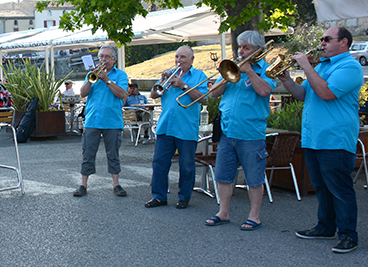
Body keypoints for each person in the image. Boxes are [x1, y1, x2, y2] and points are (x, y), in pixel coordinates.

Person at [278, 26, 362, 253]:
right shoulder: (323, 66)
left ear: (343, 42)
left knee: (340, 188)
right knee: (321, 187)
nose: (322, 43)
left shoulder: (350, 67)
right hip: (314, 137)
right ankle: (325, 227)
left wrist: (306, 66)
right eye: (322, 39)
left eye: (327, 39)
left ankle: (348, 235)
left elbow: (326, 93)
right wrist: (287, 81)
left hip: (335, 137)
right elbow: (303, 94)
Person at [204, 30, 275, 231]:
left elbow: (264, 91)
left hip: (251, 134)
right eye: (240, 47)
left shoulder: (266, 70)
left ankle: (254, 216)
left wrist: (250, 71)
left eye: (246, 48)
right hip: (228, 132)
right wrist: (227, 75)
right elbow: (213, 93)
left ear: (258, 51)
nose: (241, 51)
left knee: (254, 178)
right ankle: (223, 212)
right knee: (223, 176)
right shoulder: (233, 68)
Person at [145, 46, 208, 209]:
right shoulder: (169, 75)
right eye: (177, 57)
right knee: (159, 163)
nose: (178, 60)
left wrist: (183, 85)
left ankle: (184, 197)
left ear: (192, 59)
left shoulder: (200, 76)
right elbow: (153, 95)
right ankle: (159, 196)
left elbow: (202, 99)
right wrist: (161, 80)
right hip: (165, 126)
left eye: (183, 57)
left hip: (186, 127)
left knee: (186, 164)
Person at [73, 45, 128, 197]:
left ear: (114, 59)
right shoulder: (93, 74)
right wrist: (90, 79)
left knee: (113, 154)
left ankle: (116, 184)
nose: (103, 59)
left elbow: (122, 94)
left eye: (107, 57)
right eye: (101, 56)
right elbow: (83, 94)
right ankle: (83, 184)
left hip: (112, 121)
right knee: (88, 153)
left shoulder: (121, 75)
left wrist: (107, 80)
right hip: (92, 120)